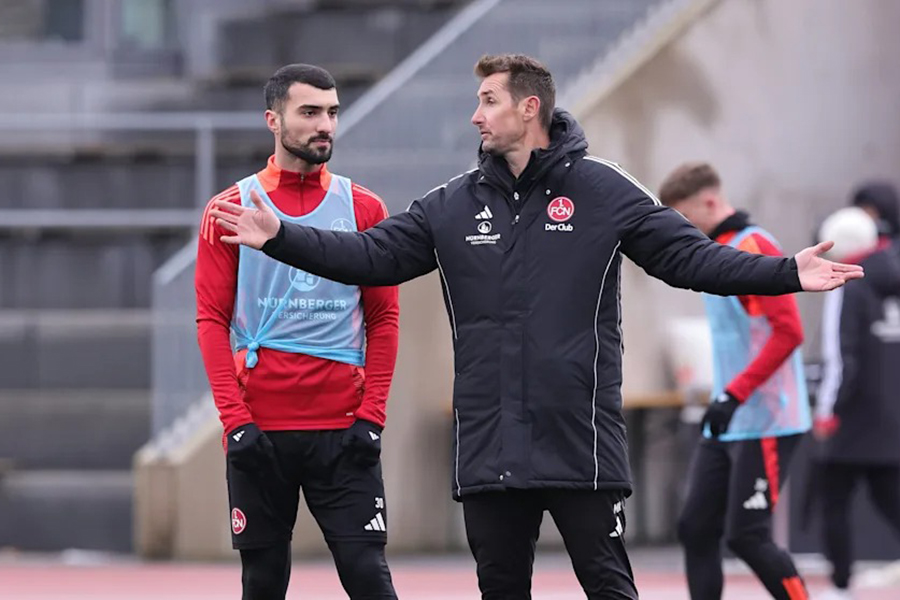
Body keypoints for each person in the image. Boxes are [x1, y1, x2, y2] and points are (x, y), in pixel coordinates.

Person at [209, 54, 863, 599]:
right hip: (490, 447)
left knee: (609, 586)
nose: (475, 115)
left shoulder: (605, 190)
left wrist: (786, 272)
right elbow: (369, 256)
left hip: (580, 443)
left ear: (529, 109)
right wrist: (281, 237)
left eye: (488, 101)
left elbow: (690, 258)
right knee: (500, 590)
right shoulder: (451, 204)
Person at [195, 64, 400, 600]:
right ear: (273, 120)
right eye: (309, 112)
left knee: (369, 577)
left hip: (344, 430)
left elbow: (384, 318)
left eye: (332, 112)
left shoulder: (364, 207)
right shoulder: (228, 210)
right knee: (262, 582)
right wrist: (235, 422)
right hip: (260, 431)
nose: (324, 125)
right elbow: (211, 320)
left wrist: (372, 417)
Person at [659, 163, 812, 600]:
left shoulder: (753, 245)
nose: (679, 229)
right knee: (695, 528)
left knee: (748, 536)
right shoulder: (713, 251)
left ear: (709, 202)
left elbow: (789, 333)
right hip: (728, 416)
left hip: (767, 418)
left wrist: (734, 393)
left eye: (684, 218)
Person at [815, 202, 900, 599]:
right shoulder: (893, 280)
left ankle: (840, 585)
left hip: (850, 415)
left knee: (834, 502)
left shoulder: (848, 284)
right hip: (891, 412)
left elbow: (840, 356)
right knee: (890, 497)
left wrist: (827, 411)